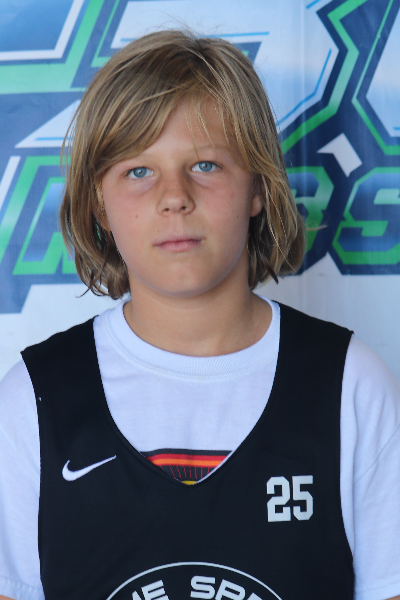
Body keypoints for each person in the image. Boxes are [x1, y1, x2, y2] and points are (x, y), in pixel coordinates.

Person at [0, 30, 399, 600]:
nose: (175, 196)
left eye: (206, 164)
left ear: (258, 186)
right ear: (99, 203)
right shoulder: (31, 402)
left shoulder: (350, 386)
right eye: (139, 171)